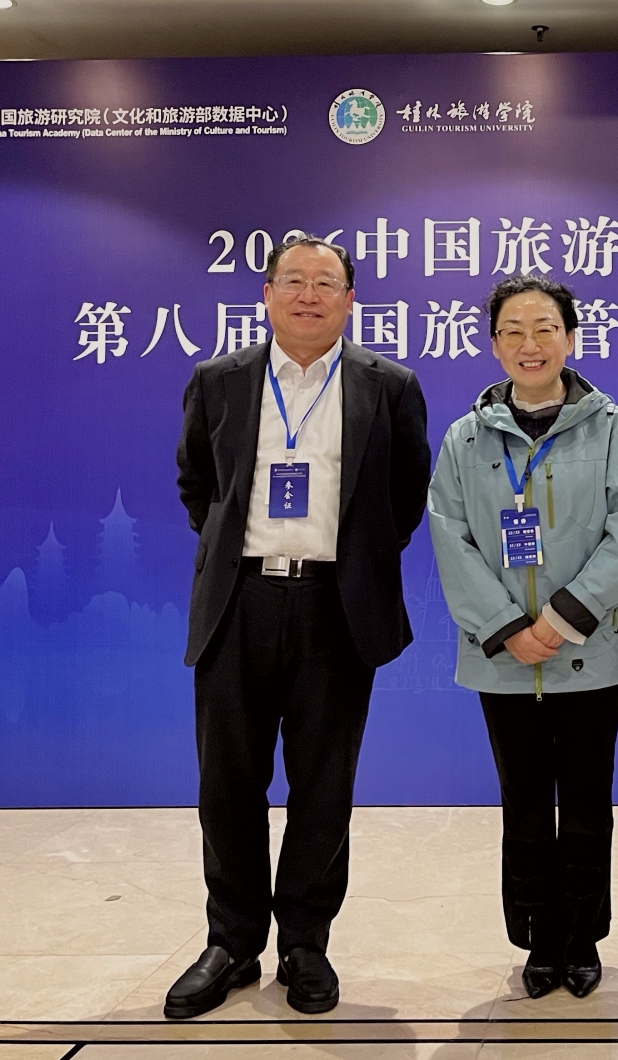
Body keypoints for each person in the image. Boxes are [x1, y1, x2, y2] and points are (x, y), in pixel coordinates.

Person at [168, 235, 431, 1019]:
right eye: (293, 280)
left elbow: (404, 495)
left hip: (335, 608)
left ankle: (305, 944)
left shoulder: (389, 386)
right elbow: (198, 484)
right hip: (238, 603)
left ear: (350, 300)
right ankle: (232, 943)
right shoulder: (219, 380)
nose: (308, 295)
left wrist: (348, 566)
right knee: (227, 784)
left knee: (323, 785)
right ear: (267, 294)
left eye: (325, 283)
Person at [427, 274, 618, 1000]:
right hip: (502, 657)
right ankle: (538, 939)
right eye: (513, 331)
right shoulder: (465, 438)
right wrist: (505, 628)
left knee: (586, 802)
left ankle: (581, 937)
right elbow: (450, 537)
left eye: (545, 328)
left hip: (591, 651)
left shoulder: (613, 428)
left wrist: (558, 620)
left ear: (571, 339)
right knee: (522, 803)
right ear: (494, 345)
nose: (530, 344)